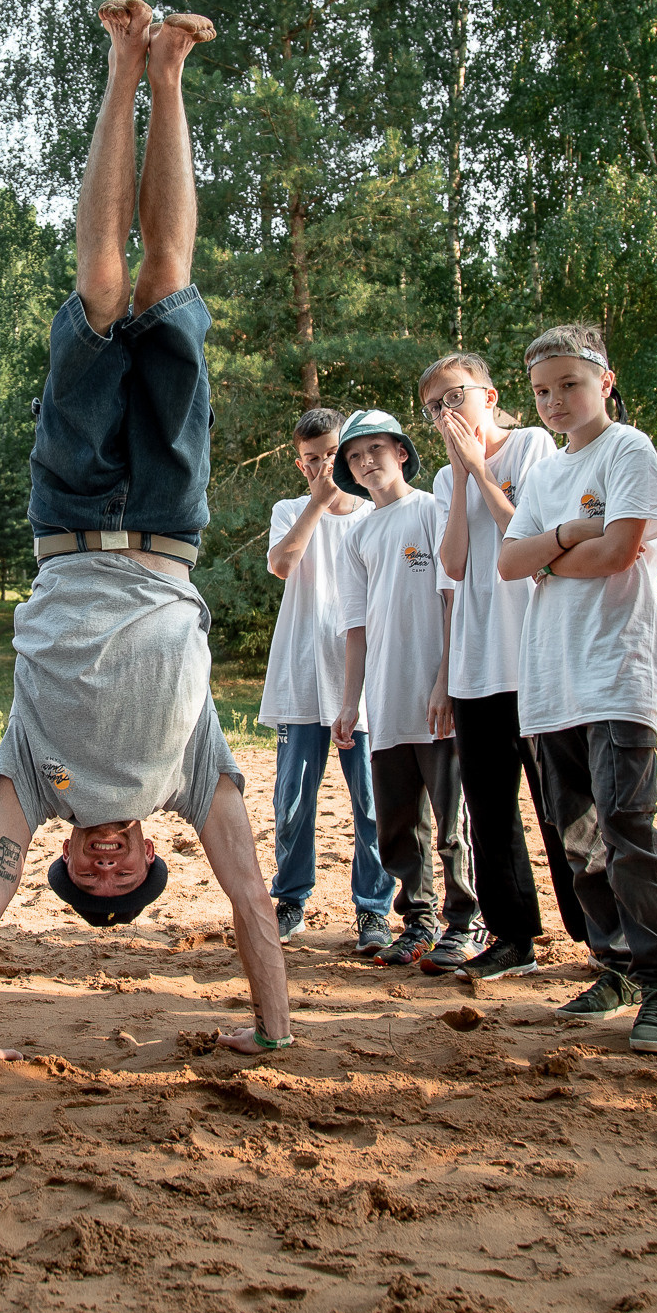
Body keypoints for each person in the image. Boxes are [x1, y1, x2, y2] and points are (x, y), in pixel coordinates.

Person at [0, 0, 293, 1065]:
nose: (103, 864)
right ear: (147, 857)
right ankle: (170, 67)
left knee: (99, 294)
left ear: (62, 860)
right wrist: (272, 1030)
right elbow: (253, 900)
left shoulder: (32, 783)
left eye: (86, 875)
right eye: (122, 875)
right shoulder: (195, 779)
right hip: (170, 527)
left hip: (67, 518)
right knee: (164, 287)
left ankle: (119, 67)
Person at [497, 323, 657, 1055]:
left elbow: (619, 554)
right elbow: (510, 563)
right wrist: (570, 538)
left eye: (569, 385)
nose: (554, 401)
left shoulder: (628, 450)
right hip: (549, 680)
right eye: (542, 390)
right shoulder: (545, 472)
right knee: (578, 841)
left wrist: (562, 549)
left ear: (604, 382)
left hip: (615, 671)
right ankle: (613, 967)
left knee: (628, 832)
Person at [420, 352, 584, 979]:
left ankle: (597, 930)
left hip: (536, 659)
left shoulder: (534, 447)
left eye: (454, 397)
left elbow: (527, 535)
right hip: (476, 665)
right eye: (434, 407)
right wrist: (461, 477)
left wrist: (483, 470)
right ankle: (514, 937)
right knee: (488, 809)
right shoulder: (442, 480)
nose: (445, 413)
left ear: (488, 397)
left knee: (560, 803)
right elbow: (456, 566)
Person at [329, 412, 480, 972]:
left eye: (375, 449)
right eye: (354, 456)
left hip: (437, 696)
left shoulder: (433, 509)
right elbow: (356, 627)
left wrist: (446, 681)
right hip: (386, 703)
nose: (367, 462)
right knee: (398, 824)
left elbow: (452, 600)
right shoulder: (358, 532)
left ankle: (466, 922)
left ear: (400, 450)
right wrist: (351, 702)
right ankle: (418, 921)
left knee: (452, 821)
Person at [260, 408, 395, 956]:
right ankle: (291, 897)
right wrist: (316, 506)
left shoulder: (371, 514)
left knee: (370, 802)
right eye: (312, 460)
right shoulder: (291, 509)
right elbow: (282, 564)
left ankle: (373, 909)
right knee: (292, 800)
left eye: (332, 456)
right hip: (299, 677)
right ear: (301, 464)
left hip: (361, 683)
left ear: (349, 455)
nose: (323, 467)